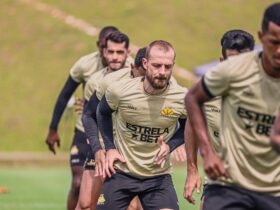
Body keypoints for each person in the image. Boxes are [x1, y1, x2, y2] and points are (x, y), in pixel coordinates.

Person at [185, 3, 280, 210]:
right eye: (274, 42)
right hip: (230, 185)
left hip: (273, 189)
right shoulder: (233, 70)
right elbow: (192, 98)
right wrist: (207, 153)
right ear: (262, 37)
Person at [88, 40, 187, 210]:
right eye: (157, 65)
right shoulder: (120, 90)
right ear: (145, 63)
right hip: (121, 172)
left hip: (158, 176)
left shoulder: (182, 97)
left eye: (167, 66)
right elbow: (102, 113)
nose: (162, 72)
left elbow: (191, 126)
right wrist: (110, 148)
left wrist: (171, 145)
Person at [45, 26, 120, 210]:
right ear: (99, 46)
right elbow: (64, 95)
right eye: (105, 48)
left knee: (109, 190)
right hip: (84, 132)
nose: (109, 55)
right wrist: (53, 128)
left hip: (114, 136)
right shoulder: (85, 65)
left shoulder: (129, 68)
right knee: (79, 184)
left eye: (115, 50)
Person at [183, 29, 255, 207]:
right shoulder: (205, 91)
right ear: (222, 61)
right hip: (221, 182)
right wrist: (192, 169)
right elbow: (192, 121)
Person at [76, 31, 132, 210]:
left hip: (128, 151)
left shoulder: (137, 75)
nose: (115, 57)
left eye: (120, 52)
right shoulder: (95, 81)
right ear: (104, 52)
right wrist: (97, 148)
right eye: (111, 52)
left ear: (127, 53)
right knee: (86, 204)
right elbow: (88, 115)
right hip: (100, 148)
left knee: (133, 207)